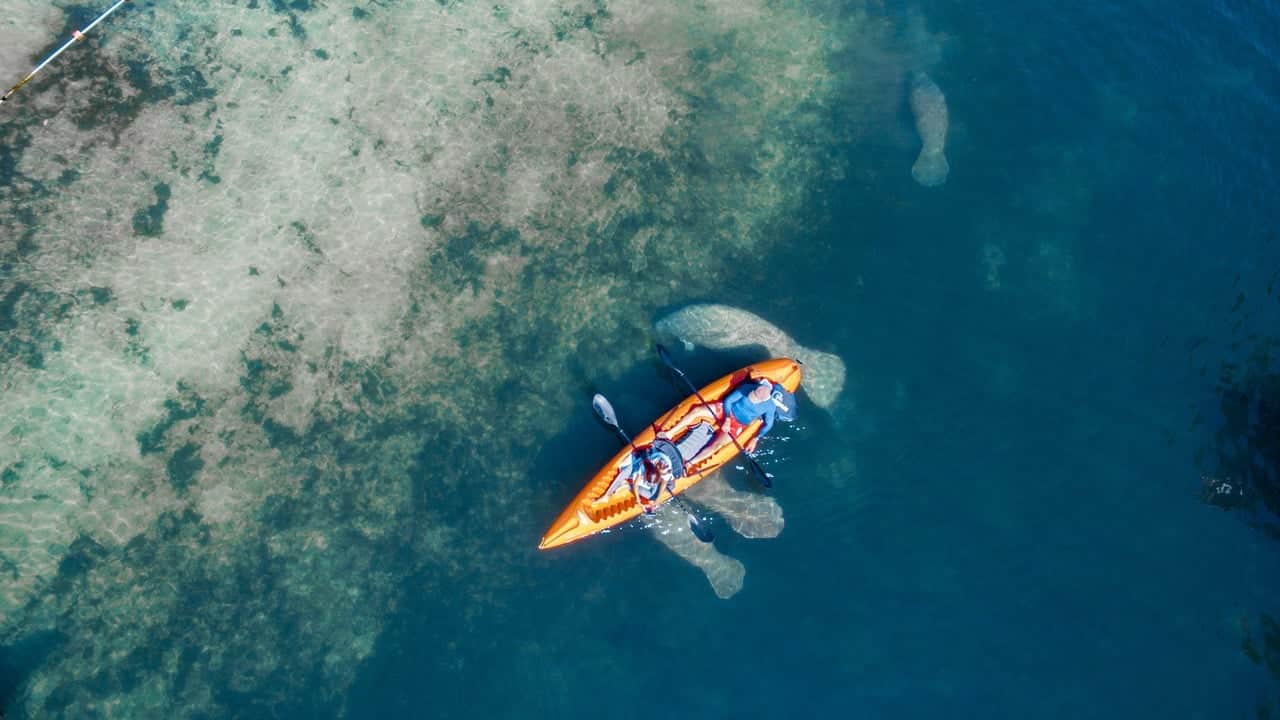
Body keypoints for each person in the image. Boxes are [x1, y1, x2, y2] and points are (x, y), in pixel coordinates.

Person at [659, 377, 789, 467]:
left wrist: (756, 438)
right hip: (726, 411)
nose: (753, 395)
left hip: (738, 424)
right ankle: (669, 434)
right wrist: (727, 418)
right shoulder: (747, 388)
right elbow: (728, 401)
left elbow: (768, 424)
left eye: (756, 396)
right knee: (697, 411)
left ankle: (690, 463)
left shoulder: (769, 406)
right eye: (754, 393)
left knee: (717, 445)